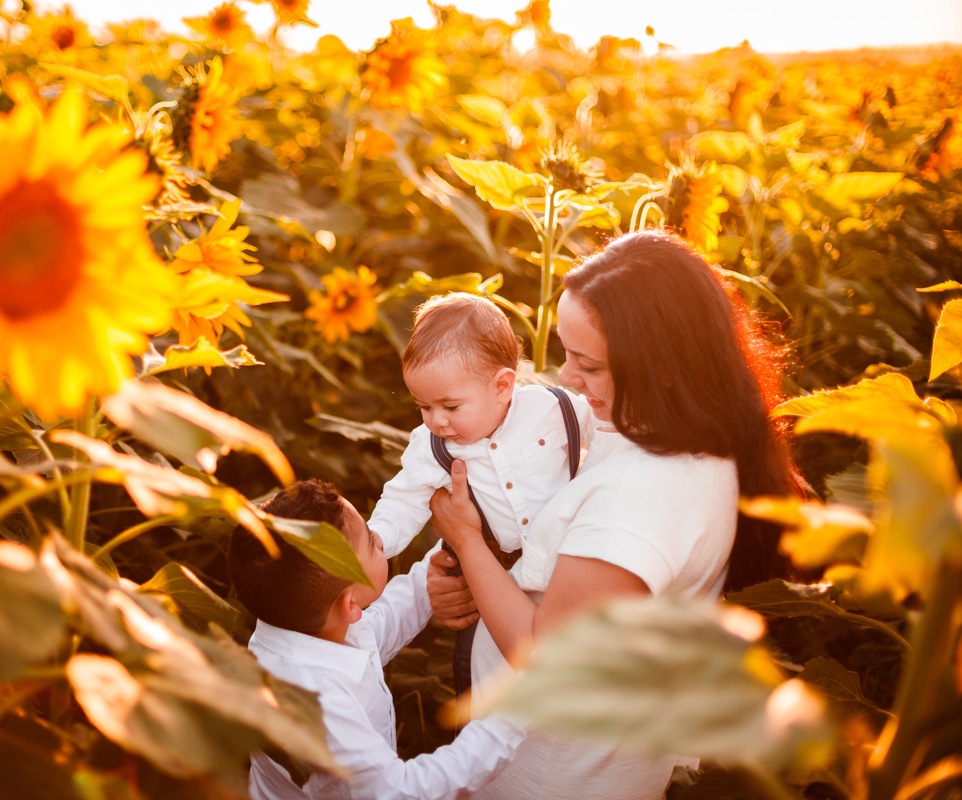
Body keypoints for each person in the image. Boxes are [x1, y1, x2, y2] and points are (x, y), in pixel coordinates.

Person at [427, 230, 801, 800]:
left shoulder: (642, 496)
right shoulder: (661, 430)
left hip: (550, 776)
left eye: (590, 366)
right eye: (566, 353)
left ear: (664, 367)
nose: (566, 379)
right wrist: (486, 577)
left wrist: (468, 543)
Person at [228, 478, 525, 800]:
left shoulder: (298, 626)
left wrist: (451, 556)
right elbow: (402, 791)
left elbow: (383, 623)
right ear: (350, 604)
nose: (379, 541)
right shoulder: (323, 706)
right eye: (370, 542)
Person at [366, 293, 596, 690]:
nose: (436, 420)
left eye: (450, 407)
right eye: (423, 406)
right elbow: (403, 500)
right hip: (498, 582)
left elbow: (605, 434)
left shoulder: (554, 410)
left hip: (570, 572)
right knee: (484, 679)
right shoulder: (431, 447)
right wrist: (376, 540)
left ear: (503, 386)